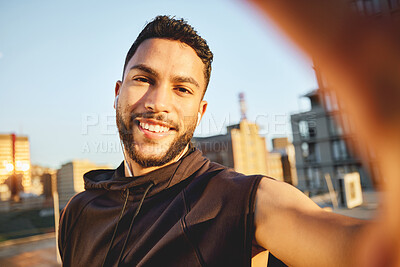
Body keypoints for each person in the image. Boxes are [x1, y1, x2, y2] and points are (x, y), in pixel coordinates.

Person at [58, 15, 366, 267]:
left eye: (182, 89)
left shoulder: (243, 202)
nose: (158, 102)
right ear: (117, 92)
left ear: (200, 111)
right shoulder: (78, 212)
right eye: (143, 79)